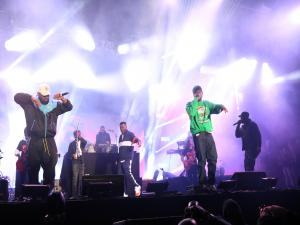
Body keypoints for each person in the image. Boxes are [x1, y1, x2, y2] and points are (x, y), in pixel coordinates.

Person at [14, 83, 73, 188]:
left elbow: (69, 107)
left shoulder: (54, 106)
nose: (46, 97)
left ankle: (48, 196)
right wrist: (31, 98)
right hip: (35, 141)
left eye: (47, 95)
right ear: (38, 94)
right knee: (33, 170)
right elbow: (16, 97)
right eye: (43, 95)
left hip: (49, 141)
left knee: (50, 170)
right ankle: (33, 197)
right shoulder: (29, 104)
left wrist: (63, 99)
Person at [186, 85, 228, 190]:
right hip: (198, 135)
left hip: (209, 134)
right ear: (193, 94)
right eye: (195, 92)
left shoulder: (207, 104)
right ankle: (203, 184)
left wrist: (221, 106)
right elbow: (192, 113)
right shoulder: (190, 105)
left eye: (199, 91)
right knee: (202, 160)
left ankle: (211, 183)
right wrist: (196, 100)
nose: (198, 93)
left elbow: (215, 108)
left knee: (213, 157)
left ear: (202, 92)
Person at [118, 122, 141, 197]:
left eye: (123, 127)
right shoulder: (120, 137)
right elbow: (120, 148)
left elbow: (135, 139)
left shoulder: (130, 134)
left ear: (126, 127)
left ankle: (136, 185)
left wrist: (138, 142)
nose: (122, 128)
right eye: (121, 127)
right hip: (120, 159)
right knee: (121, 176)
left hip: (127, 158)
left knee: (128, 173)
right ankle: (124, 193)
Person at [67, 130, 87, 199]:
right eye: (77, 134)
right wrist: (73, 155)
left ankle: (80, 194)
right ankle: (74, 195)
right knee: (75, 178)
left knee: (81, 179)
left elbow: (85, 142)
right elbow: (69, 154)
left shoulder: (82, 142)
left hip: (81, 161)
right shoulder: (71, 144)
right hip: (75, 162)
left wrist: (80, 137)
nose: (78, 135)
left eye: (79, 134)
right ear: (74, 135)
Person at [14, 128, 29, 199]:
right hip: (21, 165)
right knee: (19, 181)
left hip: (29, 166)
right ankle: (18, 196)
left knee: (27, 181)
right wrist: (19, 155)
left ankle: (27, 196)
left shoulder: (34, 143)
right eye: (26, 133)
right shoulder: (22, 142)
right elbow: (16, 151)